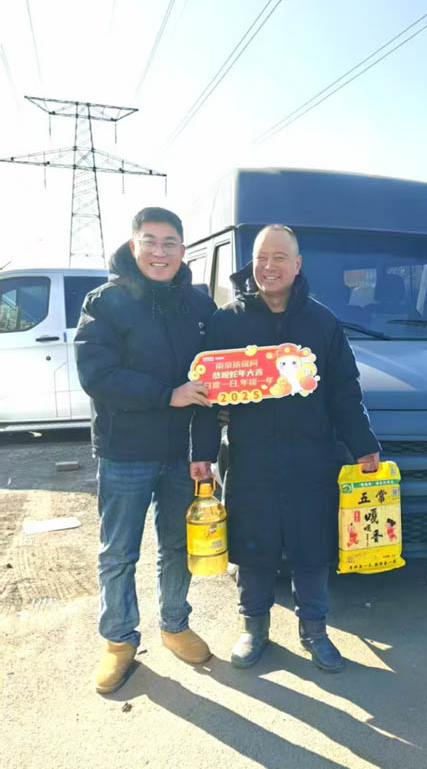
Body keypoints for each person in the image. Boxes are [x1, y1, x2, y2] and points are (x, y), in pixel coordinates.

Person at [191, 224, 380, 673]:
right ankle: (254, 629)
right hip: (250, 458)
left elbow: (345, 391)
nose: (269, 266)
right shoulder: (227, 321)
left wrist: (363, 444)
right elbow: (205, 395)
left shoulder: (322, 322)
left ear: (297, 265)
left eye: (279, 258)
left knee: (311, 548)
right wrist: (202, 452)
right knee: (253, 547)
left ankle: (315, 630)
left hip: (312, 458)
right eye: (261, 257)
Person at [75, 207, 217, 694]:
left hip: (181, 453)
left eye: (169, 243)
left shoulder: (200, 307)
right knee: (119, 551)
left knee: (178, 546)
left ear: (183, 250)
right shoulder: (106, 302)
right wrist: (166, 395)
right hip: (125, 451)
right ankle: (118, 641)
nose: (160, 252)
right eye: (150, 241)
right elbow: (97, 375)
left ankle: (175, 625)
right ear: (134, 245)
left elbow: (211, 384)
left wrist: (203, 450)